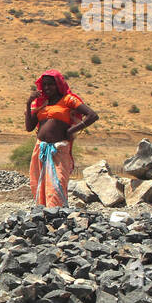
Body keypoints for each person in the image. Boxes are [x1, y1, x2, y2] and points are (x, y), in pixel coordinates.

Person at [24, 69, 97, 206]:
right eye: (44, 84)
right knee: (39, 183)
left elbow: (92, 115)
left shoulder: (68, 100)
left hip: (59, 150)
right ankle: (42, 215)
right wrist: (29, 104)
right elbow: (29, 127)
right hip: (40, 149)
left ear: (58, 84)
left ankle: (57, 215)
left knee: (57, 183)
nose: (47, 87)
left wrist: (71, 130)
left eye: (50, 84)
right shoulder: (41, 104)